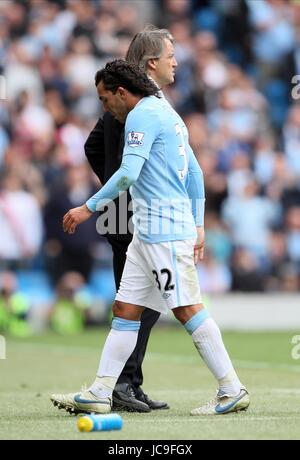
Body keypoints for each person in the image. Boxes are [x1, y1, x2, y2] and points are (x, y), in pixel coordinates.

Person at [51, 60, 250, 416]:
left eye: (104, 99)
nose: (105, 107)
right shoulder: (169, 114)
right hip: (148, 234)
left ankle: (231, 388)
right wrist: (199, 223)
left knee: (187, 308)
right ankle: (101, 390)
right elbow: (196, 171)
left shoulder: (142, 115)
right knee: (125, 310)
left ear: (121, 92)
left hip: (164, 232)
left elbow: (128, 173)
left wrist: (88, 207)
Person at [83, 26, 177, 412]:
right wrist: (118, 190)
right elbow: (106, 153)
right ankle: (122, 382)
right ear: (152, 62)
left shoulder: (138, 101)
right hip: (130, 216)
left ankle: (129, 382)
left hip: (124, 213)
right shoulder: (131, 105)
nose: (176, 61)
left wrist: (110, 188)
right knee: (141, 301)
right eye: (171, 54)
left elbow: (91, 146)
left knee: (144, 299)